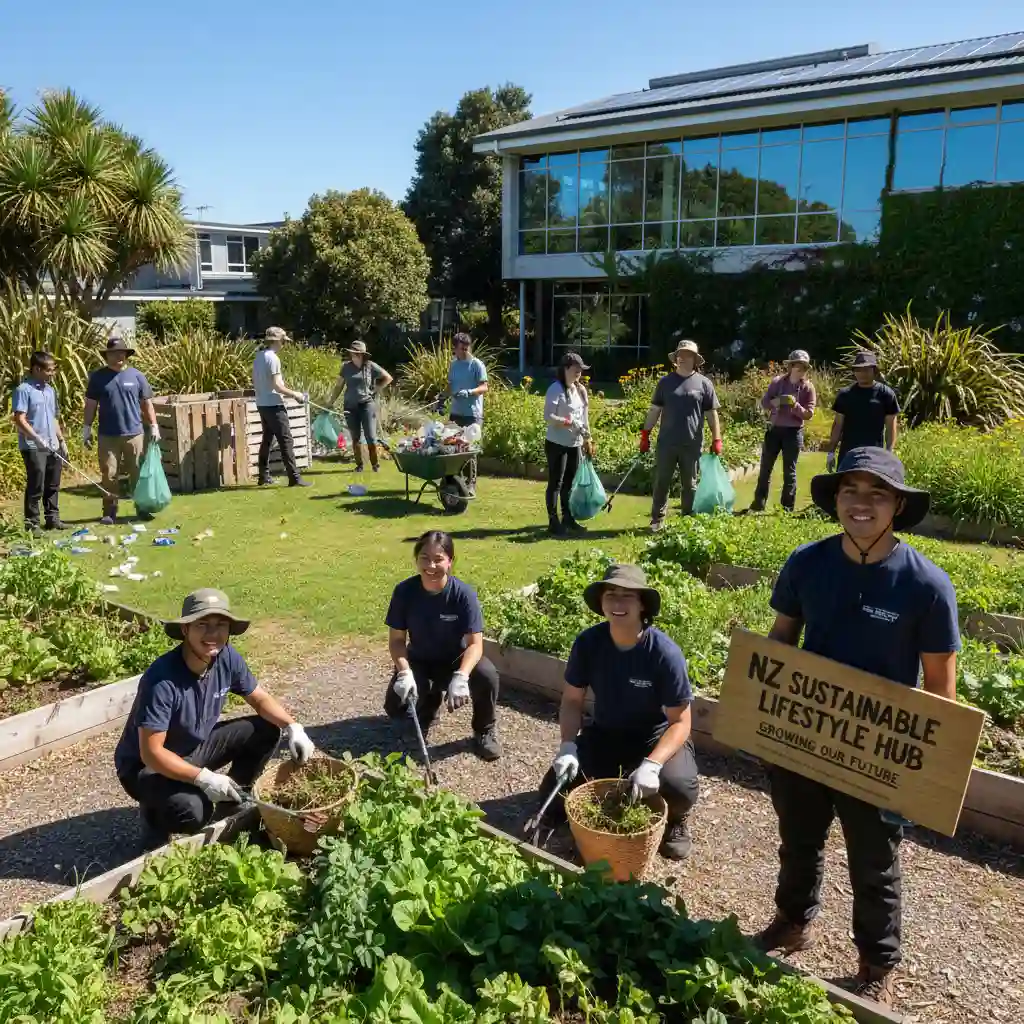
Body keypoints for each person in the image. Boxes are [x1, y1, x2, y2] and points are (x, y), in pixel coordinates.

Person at [752, 448, 960, 1006]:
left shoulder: (926, 586)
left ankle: (876, 959)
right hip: (805, 739)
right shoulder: (806, 563)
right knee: (798, 842)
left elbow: (942, 687)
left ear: (896, 506)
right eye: (851, 492)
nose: (861, 504)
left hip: (878, 752)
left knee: (874, 860)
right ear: (836, 501)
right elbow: (780, 642)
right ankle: (792, 922)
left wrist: (926, 773)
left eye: (876, 495)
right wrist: (764, 717)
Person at [114, 588, 316, 849]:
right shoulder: (162, 680)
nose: (213, 634)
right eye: (203, 625)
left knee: (266, 729)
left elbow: (259, 698)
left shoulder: (226, 657)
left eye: (221, 625)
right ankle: (154, 817)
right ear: (185, 630)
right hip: (145, 768)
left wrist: (292, 726)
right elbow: (152, 753)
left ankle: (233, 796)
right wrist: (204, 778)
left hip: (191, 748)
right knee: (193, 812)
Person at [537, 563, 699, 861]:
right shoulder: (589, 643)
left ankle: (676, 820)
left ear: (642, 605)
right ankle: (557, 812)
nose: (617, 603)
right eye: (611, 594)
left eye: (627, 596)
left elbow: (681, 721)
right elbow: (572, 701)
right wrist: (568, 745)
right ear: (601, 602)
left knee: (678, 787)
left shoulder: (664, 653)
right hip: (606, 733)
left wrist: (652, 764)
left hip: (654, 737)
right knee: (553, 789)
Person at [383, 530, 501, 762]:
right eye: (424, 558)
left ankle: (484, 730)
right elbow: (397, 641)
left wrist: (462, 676)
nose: (431, 565)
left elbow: (475, 645)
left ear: (450, 561)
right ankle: (429, 705)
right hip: (420, 660)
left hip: (454, 661)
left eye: (438, 559)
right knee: (394, 707)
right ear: (416, 560)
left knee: (487, 675)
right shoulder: (404, 592)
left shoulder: (463, 594)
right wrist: (404, 671)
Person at [641, 336, 722, 531]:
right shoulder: (665, 382)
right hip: (667, 443)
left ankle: (687, 519)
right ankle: (657, 519)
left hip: (691, 443)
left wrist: (716, 438)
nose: (682, 358)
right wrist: (645, 434)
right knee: (662, 481)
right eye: (679, 355)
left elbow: (712, 413)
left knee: (690, 485)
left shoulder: (704, 384)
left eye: (686, 355)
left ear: (695, 359)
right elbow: (654, 410)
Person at [83, 332, 160, 525]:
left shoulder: (136, 376)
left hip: (134, 433)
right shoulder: (98, 378)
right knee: (109, 474)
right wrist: (86, 428)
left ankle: (142, 509)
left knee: (137, 473)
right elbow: (91, 404)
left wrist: (154, 426)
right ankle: (110, 512)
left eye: (122, 353)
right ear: (107, 356)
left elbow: (147, 403)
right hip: (107, 435)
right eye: (114, 353)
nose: (118, 356)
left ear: (126, 355)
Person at [751, 350, 817, 513]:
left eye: (803, 366)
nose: (800, 368)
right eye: (797, 365)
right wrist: (778, 401)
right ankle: (758, 504)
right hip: (774, 430)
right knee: (765, 468)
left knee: (789, 471)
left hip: (793, 433)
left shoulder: (808, 388)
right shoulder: (777, 382)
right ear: (791, 366)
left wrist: (795, 406)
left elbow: (809, 414)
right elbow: (765, 403)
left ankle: (786, 508)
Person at [11, 350, 67, 533]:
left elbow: (54, 418)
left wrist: (61, 440)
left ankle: (53, 519)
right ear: (36, 368)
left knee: (53, 483)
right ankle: (32, 524)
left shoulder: (50, 391)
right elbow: (19, 419)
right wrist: (36, 437)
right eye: (49, 370)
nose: (52, 373)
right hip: (33, 445)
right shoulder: (24, 390)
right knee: (37, 483)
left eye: (53, 370)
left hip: (52, 444)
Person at [252, 326, 311, 488]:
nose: (284, 345)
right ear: (277, 341)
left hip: (262, 404)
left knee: (267, 440)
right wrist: (296, 395)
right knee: (286, 440)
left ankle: (263, 476)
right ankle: (294, 478)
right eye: (283, 341)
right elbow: (278, 386)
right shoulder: (273, 359)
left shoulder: (258, 357)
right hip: (274, 405)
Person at [543, 351, 593, 536]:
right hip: (557, 443)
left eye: (581, 369)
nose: (579, 372)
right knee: (556, 482)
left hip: (575, 443)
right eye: (575, 369)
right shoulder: (555, 389)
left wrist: (588, 438)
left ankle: (568, 517)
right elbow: (548, 416)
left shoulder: (580, 390)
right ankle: (552, 520)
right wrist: (567, 421)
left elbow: (584, 416)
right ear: (565, 369)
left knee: (570, 483)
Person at [325, 339, 393, 473]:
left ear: (362, 354)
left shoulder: (370, 366)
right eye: (353, 353)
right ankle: (359, 465)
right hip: (350, 406)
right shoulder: (346, 367)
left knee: (371, 436)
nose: (354, 355)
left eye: (357, 353)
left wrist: (376, 388)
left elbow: (388, 377)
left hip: (367, 404)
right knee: (355, 437)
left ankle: (375, 464)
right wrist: (331, 402)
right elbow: (339, 386)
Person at [826, 351, 900, 471]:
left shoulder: (886, 394)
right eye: (858, 370)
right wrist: (831, 452)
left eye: (866, 369)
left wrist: (889, 452)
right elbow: (838, 425)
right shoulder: (845, 394)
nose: (862, 373)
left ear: (874, 371)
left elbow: (891, 426)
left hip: (874, 455)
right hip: (848, 453)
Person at [447, 333, 488, 494]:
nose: (465, 351)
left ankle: (471, 485)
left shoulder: (477, 365)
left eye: (467, 348)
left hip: (472, 414)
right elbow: (450, 386)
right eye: (461, 349)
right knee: (452, 448)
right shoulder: (454, 365)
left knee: (469, 449)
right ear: (454, 349)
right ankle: (454, 482)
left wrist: (470, 392)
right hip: (456, 412)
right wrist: (443, 397)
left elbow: (484, 387)